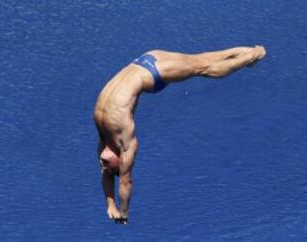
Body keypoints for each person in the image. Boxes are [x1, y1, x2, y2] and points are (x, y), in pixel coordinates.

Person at [94, 46, 266, 224]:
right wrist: (110, 205)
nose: (104, 164)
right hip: (147, 59)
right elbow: (107, 174)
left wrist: (123, 213)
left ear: (121, 158)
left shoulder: (124, 142)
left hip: (154, 73)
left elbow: (125, 181)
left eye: (113, 168)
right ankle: (247, 52)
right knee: (199, 60)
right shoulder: (105, 136)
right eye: (110, 167)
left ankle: (253, 55)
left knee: (204, 69)